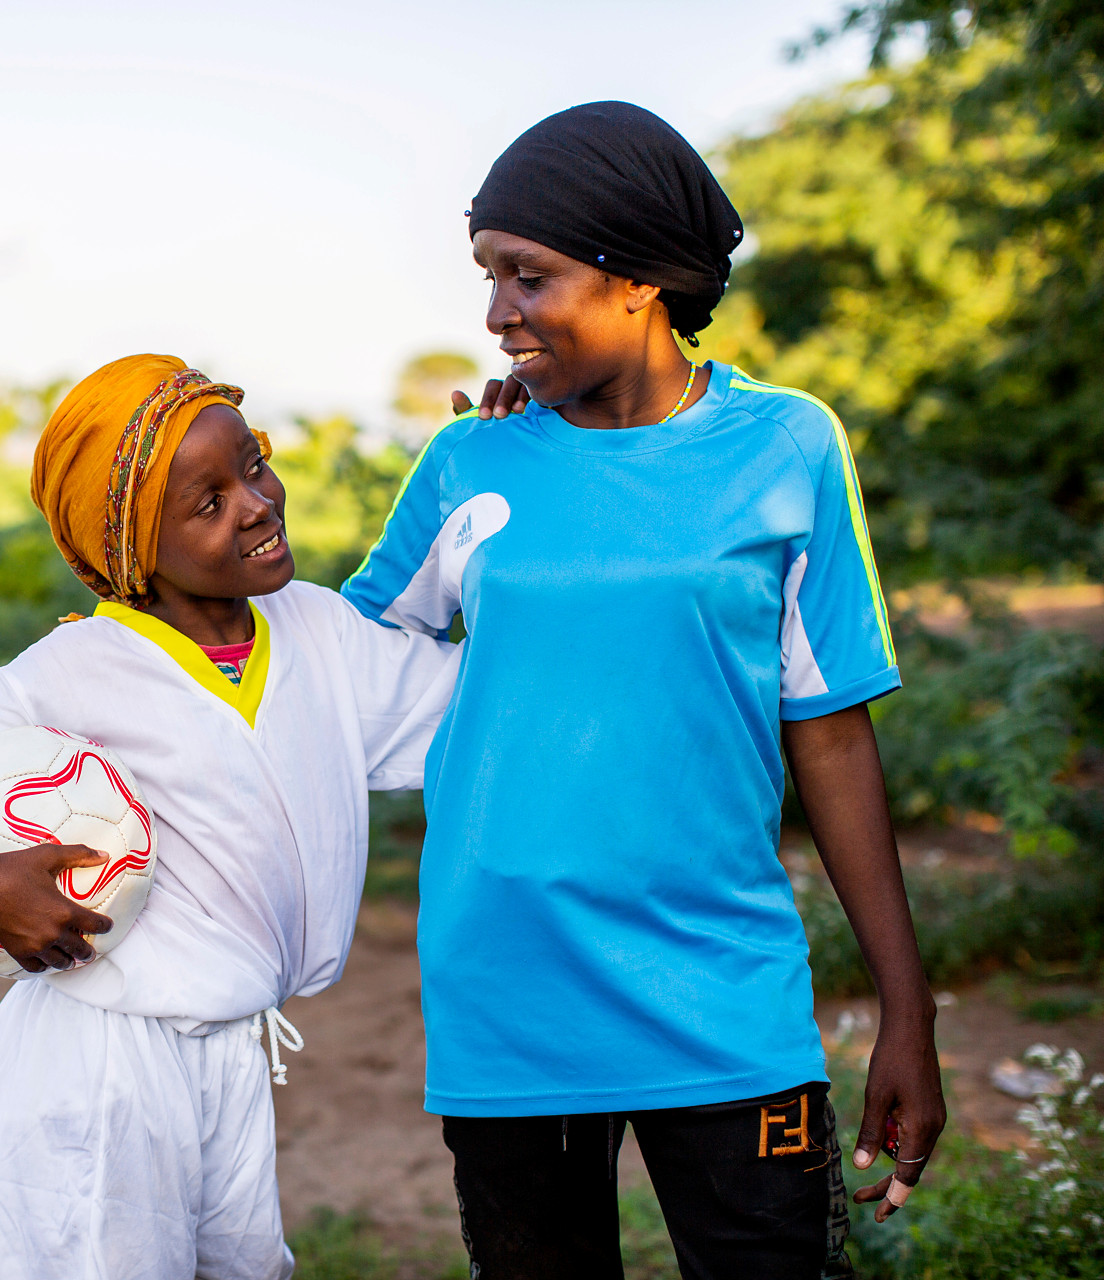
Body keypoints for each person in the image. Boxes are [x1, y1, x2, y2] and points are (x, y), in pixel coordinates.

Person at [342, 102, 947, 1279]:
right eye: (489, 277)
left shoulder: (789, 446)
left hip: (725, 993)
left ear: (640, 281)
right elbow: (343, 663)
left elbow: (829, 731)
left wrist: (905, 1008)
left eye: (530, 276)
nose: (497, 312)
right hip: (509, 993)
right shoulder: (471, 461)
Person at [0, 354, 459, 1280]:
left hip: (232, 1051)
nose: (258, 501)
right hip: (98, 1067)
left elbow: (487, 712)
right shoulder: (70, 675)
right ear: (128, 550)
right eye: (208, 501)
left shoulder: (317, 631)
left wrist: (499, 473)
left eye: (256, 463)